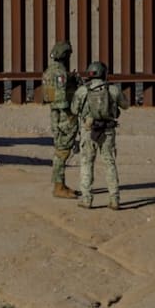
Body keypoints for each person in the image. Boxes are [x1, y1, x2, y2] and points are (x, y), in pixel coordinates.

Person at [69, 61, 130, 210]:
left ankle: (87, 199)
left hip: (88, 131)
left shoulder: (83, 90)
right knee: (109, 163)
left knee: (86, 163)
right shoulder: (113, 89)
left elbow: (74, 110)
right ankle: (114, 199)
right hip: (107, 131)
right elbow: (126, 105)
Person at [42, 40, 79, 199]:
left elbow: (49, 95)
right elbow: (62, 98)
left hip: (54, 113)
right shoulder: (61, 73)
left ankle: (60, 184)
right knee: (63, 150)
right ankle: (58, 186)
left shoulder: (49, 71)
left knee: (60, 148)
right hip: (64, 114)